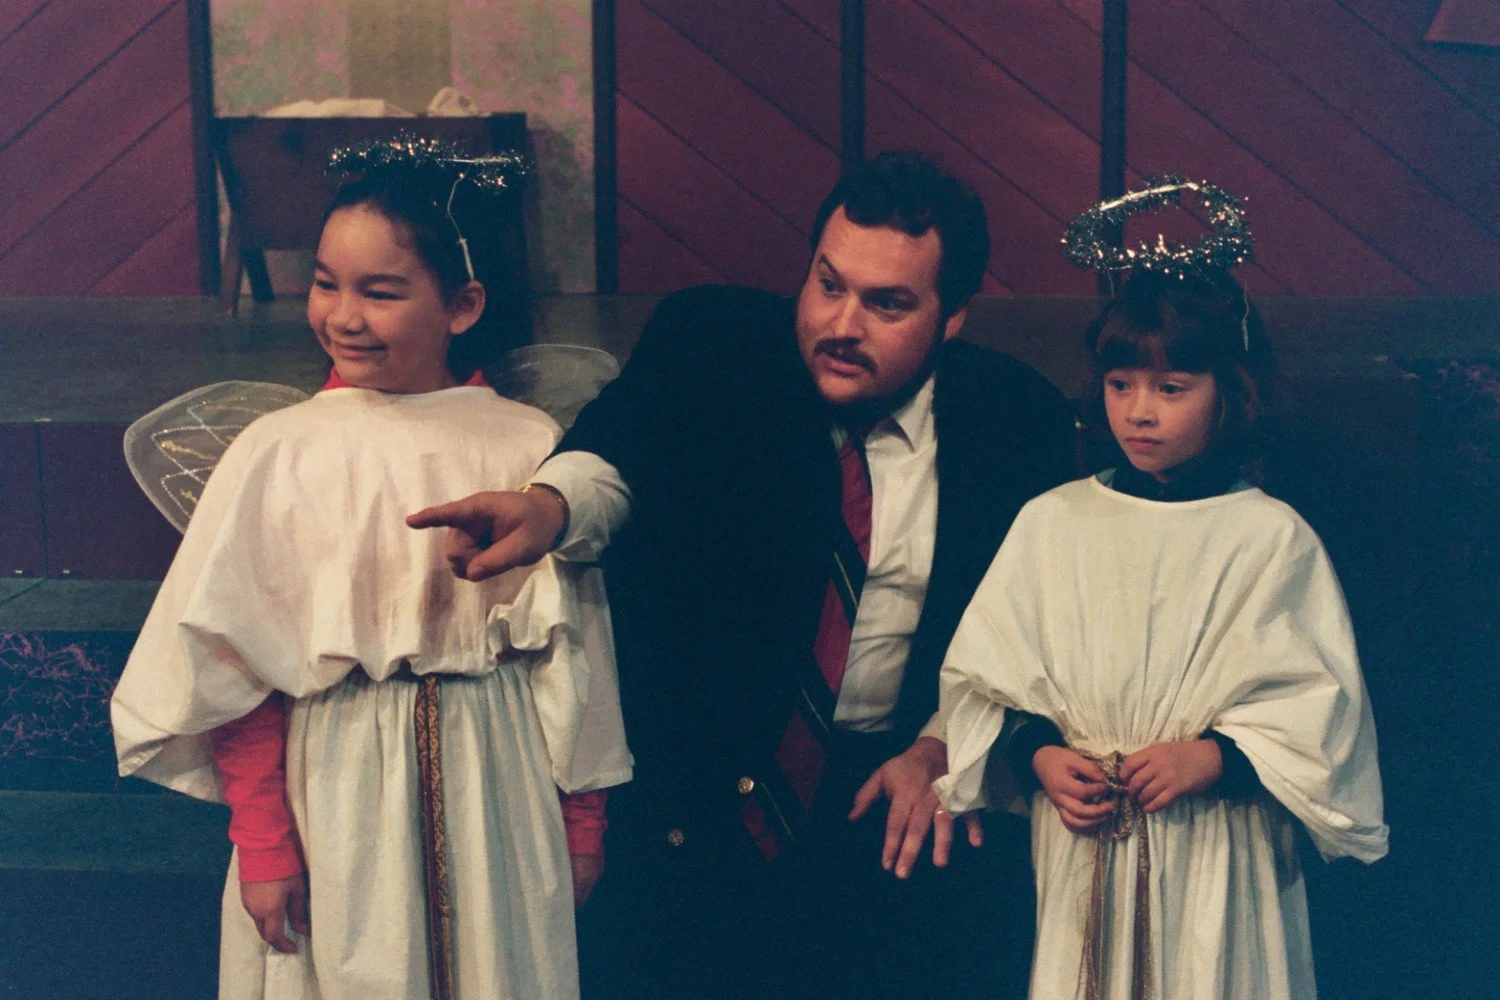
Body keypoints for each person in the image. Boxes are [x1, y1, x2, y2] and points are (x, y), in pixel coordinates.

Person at [408, 150, 1077, 999]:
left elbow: (1030, 617)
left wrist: (944, 741)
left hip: (885, 795)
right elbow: (618, 457)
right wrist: (547, 508)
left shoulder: (1016, 419)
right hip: (691, 798)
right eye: (829, 284)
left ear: (953, 319)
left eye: (889, 305)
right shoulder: (712, 343)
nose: (843, 323)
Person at [111, 156, 631, 1000]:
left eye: (380, 292)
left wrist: (581, 823)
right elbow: (233, 665)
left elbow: (572, 659)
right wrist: (267, 843)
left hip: (495, 789)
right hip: (338, 795)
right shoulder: (281, 453)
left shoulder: (523, 446)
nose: (343, 316)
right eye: (326, 284)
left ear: (463, 305)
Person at [934, 267, 1388, 999]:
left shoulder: (1269, 537)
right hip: (1085, 842)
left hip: (1218, 847)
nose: (1139, 412)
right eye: (1121, 385)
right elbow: (985, 680)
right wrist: (1040, 753)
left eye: (1171, 389)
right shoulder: (1053, 522)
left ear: (1229, 395)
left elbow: (1321, 710)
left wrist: (1213, 757)